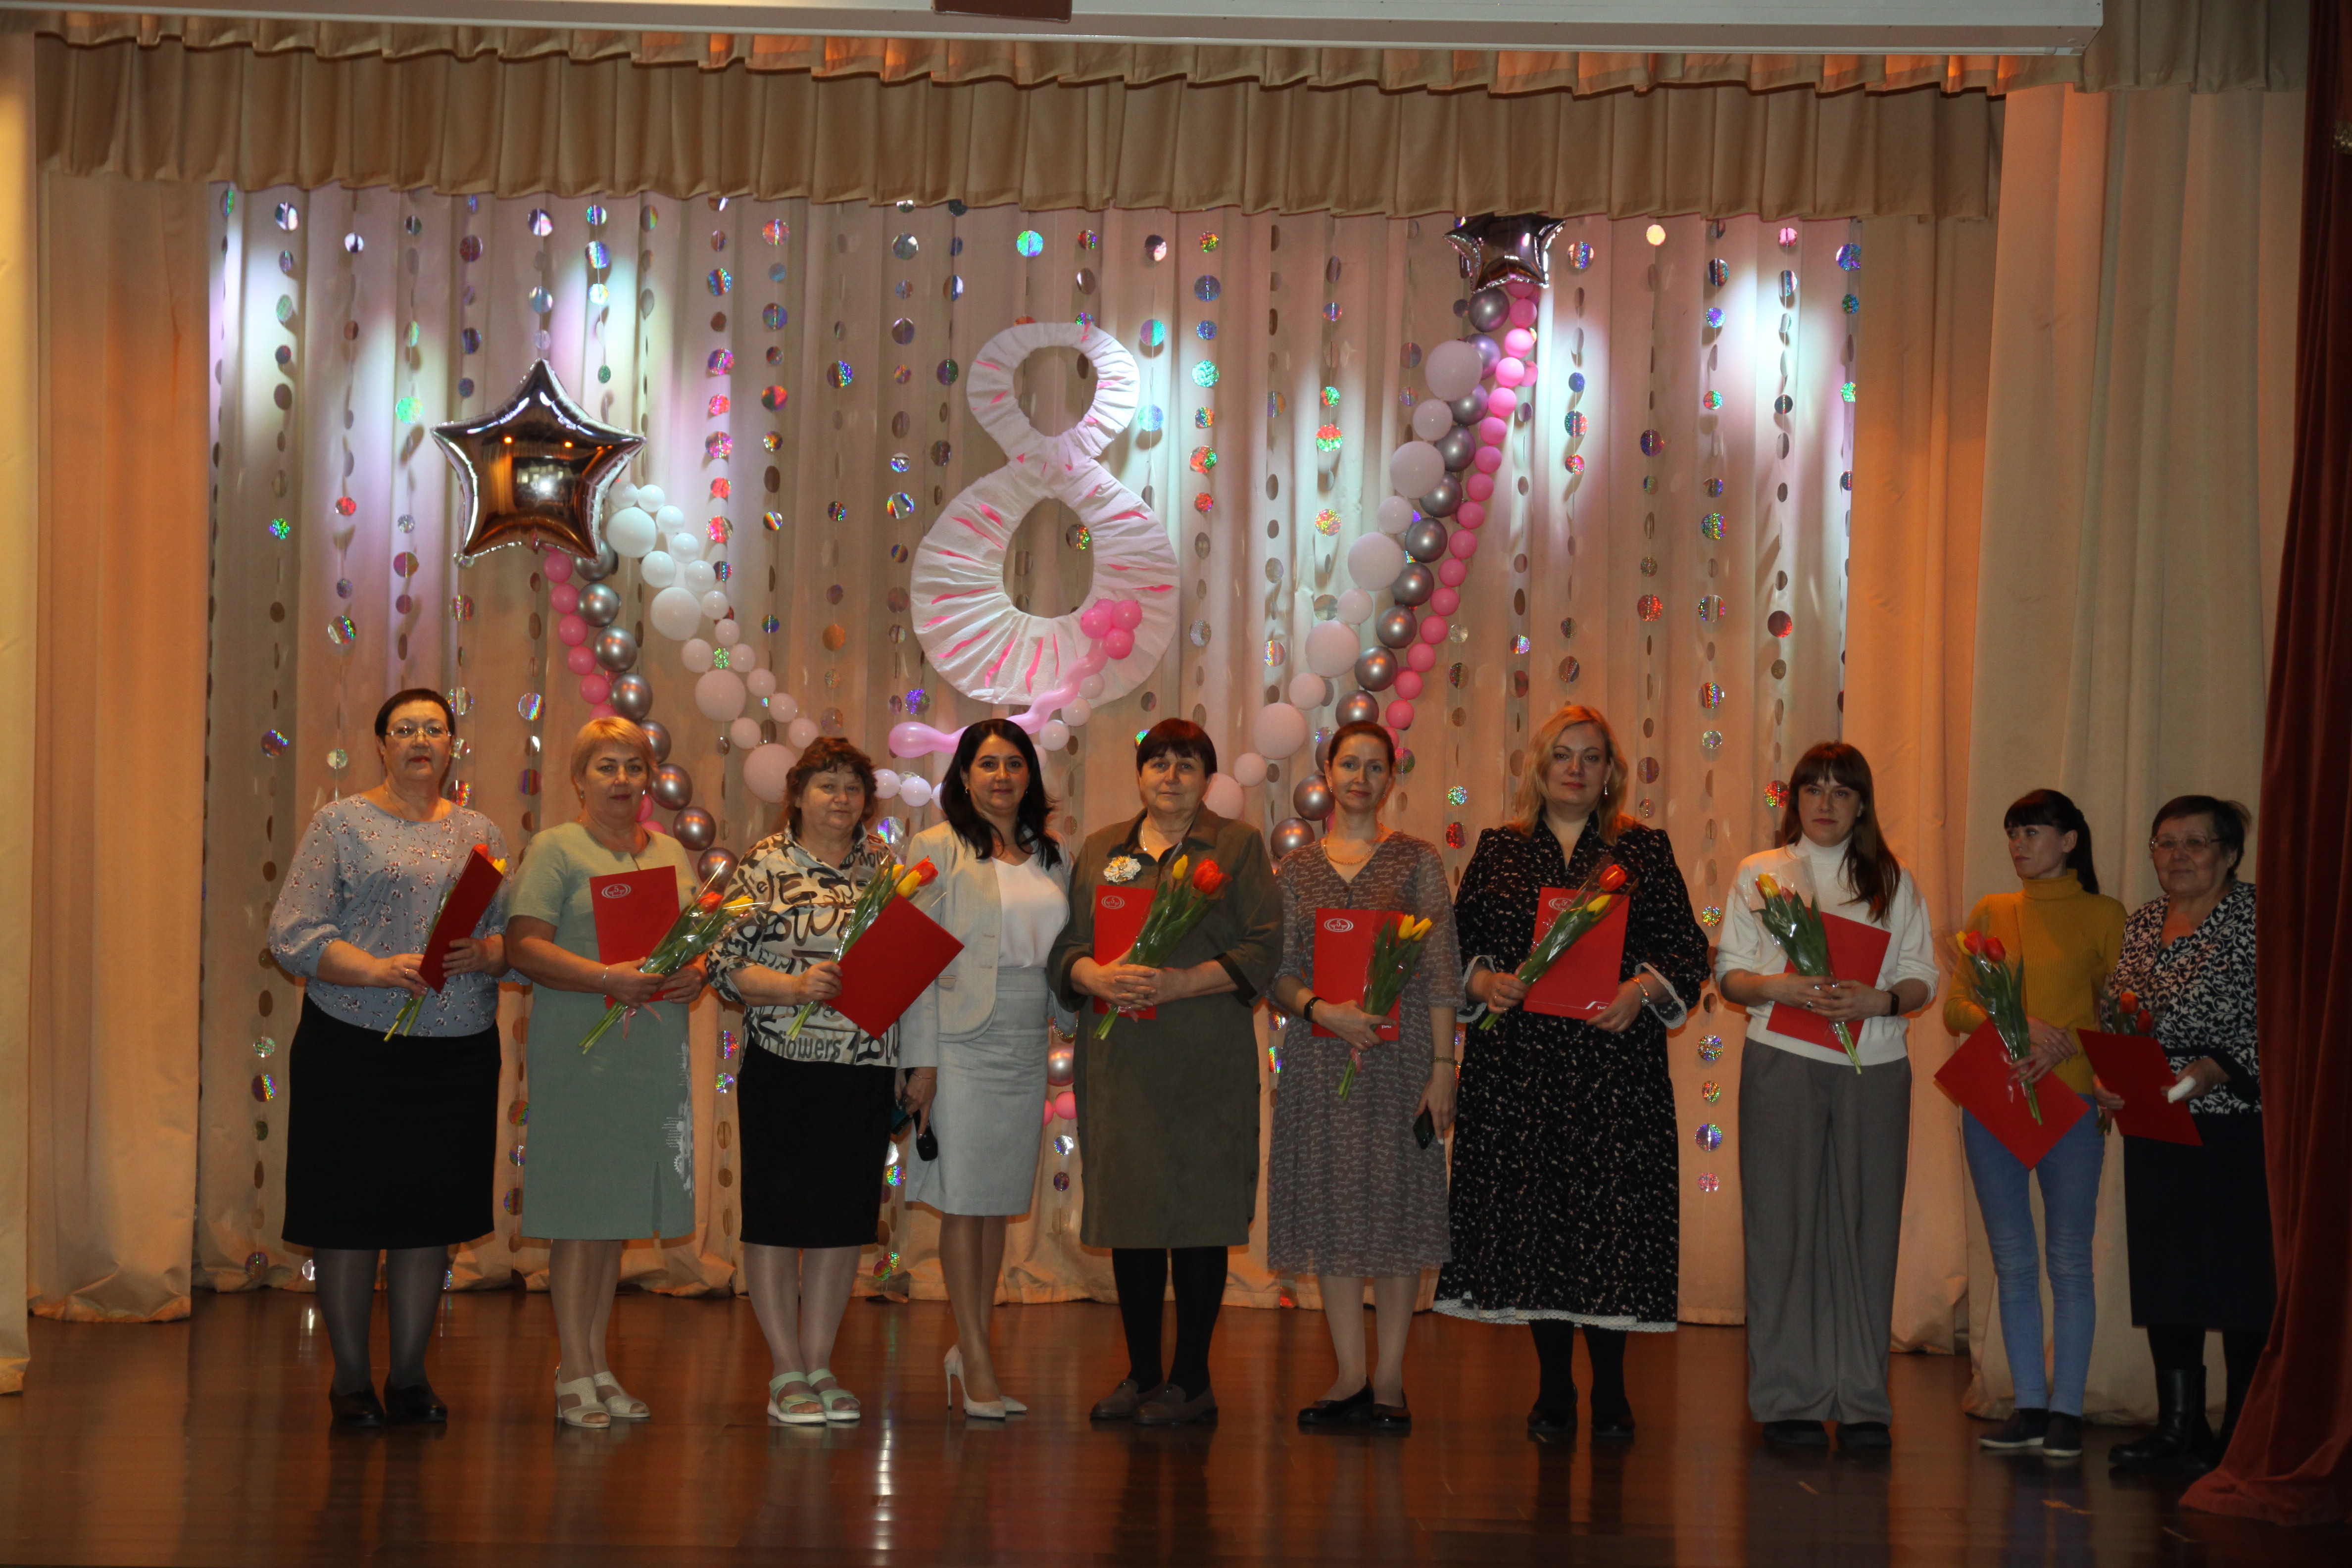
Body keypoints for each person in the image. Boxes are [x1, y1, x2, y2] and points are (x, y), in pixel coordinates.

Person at [1436, 703, 1709, 1441]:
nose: (1576, 769)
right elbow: (1457, 947)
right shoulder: (1499, 848)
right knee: (1538, 1227)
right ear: (1540, 766)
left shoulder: (1643, 850)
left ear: (1611, 772)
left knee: (1610, 1224)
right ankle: (1554, 1388)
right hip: (1518, 1069)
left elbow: (1687, 950)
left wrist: (1640, 991)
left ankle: (1612, 1393)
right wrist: (1484, 982)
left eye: (1592, 757)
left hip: (1612, 1068)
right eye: (1563, 754)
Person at [268, 688, 508, 1427]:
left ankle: (409, 1378)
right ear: (381, 745)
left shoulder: (480, 831)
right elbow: (293, 932)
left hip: (457, 1054)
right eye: (405, 729)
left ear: (452, 745)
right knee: (347, 1217)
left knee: (427, 1218)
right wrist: (375, 969)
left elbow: (512, 937)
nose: (420, 740)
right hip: (352, 1046)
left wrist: (487, 953)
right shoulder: (340, 823)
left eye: (434, 728)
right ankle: (349, 1381)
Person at [1047, 719, 1283, 1427]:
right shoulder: (1103, 849)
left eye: (1187, 765)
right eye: (1159, 763)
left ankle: (1193, 1381)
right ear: (1140, 775)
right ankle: (1144, 1375)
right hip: (1121, 1063)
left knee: (1201, 1213)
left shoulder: (1237, 846)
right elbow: (1068, 947)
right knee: (1135, 1213)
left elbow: (1265, 947)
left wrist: (1181, 984)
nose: (1171, 776)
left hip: (1206, 1058)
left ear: (1207, 780)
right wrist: (1094, 975)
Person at [1716, 741, 1938, 1451]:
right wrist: (1778, 987)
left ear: (1861, 805)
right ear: (1795, 799)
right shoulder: (1761, 872)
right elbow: (1730, 973)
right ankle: (1790, 1399)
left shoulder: (1892, 880)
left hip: (1875, 1066)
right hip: (1782, 1059)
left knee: (1867, 1229)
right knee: (1781, 1229)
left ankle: (1863, 1399)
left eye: (1842, 792)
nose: (1825, 803)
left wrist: (1881, 1000)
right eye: (1813, 789)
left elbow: (1922, 976)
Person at [504, 717, 705, 1429]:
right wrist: (604, 978)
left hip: (650, 1049)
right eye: (606, 767)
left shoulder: (671, 851)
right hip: (581, 1050)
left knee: (615, 1216)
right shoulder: (556, 848)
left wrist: (695, 972)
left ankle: (597, 1364)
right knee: (580, 1216)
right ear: (578, 779)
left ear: (650, 778)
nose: (622, 781)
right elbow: (524, 948)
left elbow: (690, 940)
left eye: (634, 767)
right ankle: (573, 1369)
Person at [1267, 720, 1462, 1433]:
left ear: (1391, 778)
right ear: (1326, 772)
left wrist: (1444, 1067)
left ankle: (1389, 1379)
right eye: (1349, 764)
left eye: (1375, 767)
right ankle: (1350, 1374)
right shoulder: (1297, 870)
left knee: (1399, 1209)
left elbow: (1441, 971)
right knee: (1333, 1207)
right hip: (1320, 1060)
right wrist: (1322, 1010)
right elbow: (1277, 973)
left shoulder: (1417, 860)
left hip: (1403, 1061)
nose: (1360, 778)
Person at [705, 738, 903, 1427]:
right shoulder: (764, 863)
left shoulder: (885, 866)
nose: (841, 799)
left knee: (841, 1221)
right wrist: (794, 986)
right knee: (777, 1215)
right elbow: (723, 965)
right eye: (827, 785)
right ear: (797, 795)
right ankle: (785, 1369)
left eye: (853, 787)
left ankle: (820, 1363)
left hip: (866, 1066)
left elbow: (905, 963)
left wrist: (914, 1062)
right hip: (784, 1066)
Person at [897, 720, 1073, 1420]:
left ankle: (972, 1347)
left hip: (1027, 1039)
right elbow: (911, 964)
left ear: (1031, 775)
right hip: (958, 1041)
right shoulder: (935, 848)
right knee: (964, 1201)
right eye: (988, 764)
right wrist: (921, 1062)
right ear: (964, 777)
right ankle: (975, 1356)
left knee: (997, 1202)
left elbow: (1067, 953)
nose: (1003, 777)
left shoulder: (1053, 854)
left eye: (1015, 764)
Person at [1945, 789, 2126, 1462]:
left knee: (2070, 1259)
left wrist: (2065, 1041)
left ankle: (2067, 1413)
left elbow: (2125, 1011)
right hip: (1993, 1100)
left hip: (2071, 1102)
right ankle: (2028, 1407)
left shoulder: (2105, 914)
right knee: (2013, 1260)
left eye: (2032, 832)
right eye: (2012, 833)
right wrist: (2013, 1025)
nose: (2019, 845)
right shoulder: (1993, 911)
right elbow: (1956, 1009)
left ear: (2069, 841)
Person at [2099, 796, 2268, 1475]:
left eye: (2196, 843)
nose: (2178, 856)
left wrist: (2216, 1069)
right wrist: (2112, 1076)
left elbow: (2289, 1014)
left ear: (2230, 854)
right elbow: (2119, 1011)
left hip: (2236, 1119)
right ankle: (2180, 1428)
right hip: (2156, 1118)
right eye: (2165, 843)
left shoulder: (2259, 916)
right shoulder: (2143, 922)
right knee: (2168, 1271)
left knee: (2239, 1277)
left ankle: (2242, 1439)